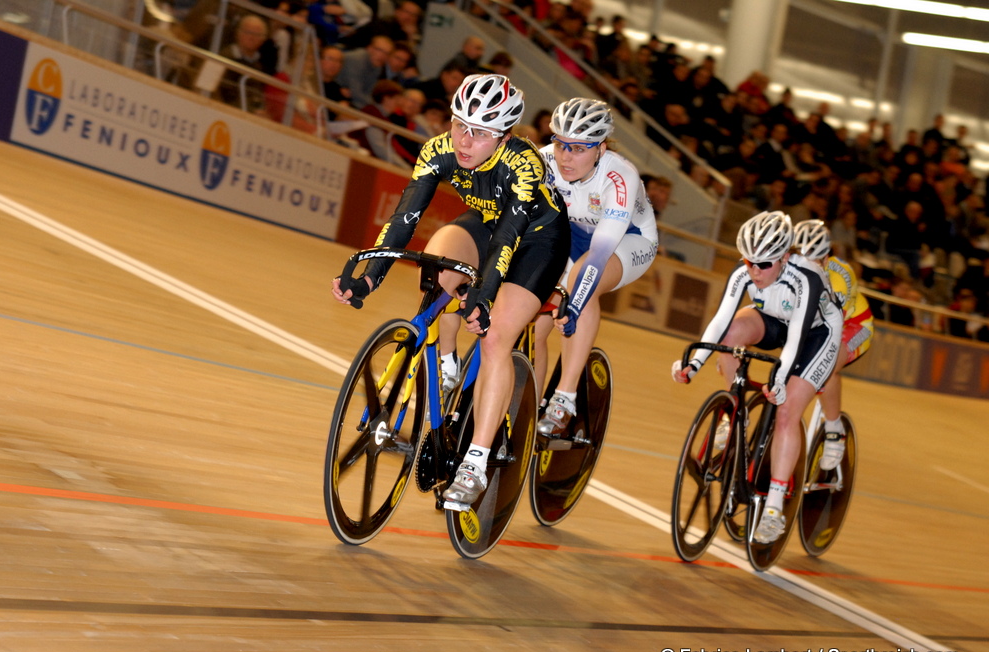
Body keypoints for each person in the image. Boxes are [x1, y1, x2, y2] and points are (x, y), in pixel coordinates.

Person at [331, 74, 571, 511]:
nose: (464, 139)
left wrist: (483, 296)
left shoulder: (524, 164)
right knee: (435, 267)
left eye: (479, 133)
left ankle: (475, 464)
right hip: (487, 224)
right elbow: (405, 218)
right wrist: (370, 276)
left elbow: (508, 241)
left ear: (503, 136)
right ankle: (444, 365)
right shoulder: (439, 148)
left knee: (496, 335)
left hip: (537, 241)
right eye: (460, 124)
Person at [671, 211, 842, 544]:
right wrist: (694, 363)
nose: (753, 271)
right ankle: (733, 412)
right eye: (748, 261)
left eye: (763, 265)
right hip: (774, 319)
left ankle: (775, 508)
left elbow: (795, 340)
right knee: (733, 330)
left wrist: (778, 381)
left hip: (816, 334)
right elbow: (720, 322)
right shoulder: (744, 271)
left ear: (785, 258)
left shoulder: (807, 277)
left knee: (787, 411)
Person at [533, 98, 659, 435]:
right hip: (572, 235)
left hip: (626, 242)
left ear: (600, 149)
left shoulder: (620, 177)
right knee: (536, 330)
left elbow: (600, 255)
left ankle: (565, 397)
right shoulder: (542, 161)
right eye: (559, 143)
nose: (565, 156)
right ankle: (524, 410)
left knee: (580, 286)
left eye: (578, 148)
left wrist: (573, 305)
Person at [793, 220, 874, 469]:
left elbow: (829, 328)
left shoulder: (840, 277)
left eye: (814, 260)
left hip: (854, 325)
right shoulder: (787, 265)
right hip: (818, 325)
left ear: (826, 257)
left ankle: (833, 429)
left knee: (827, 364)